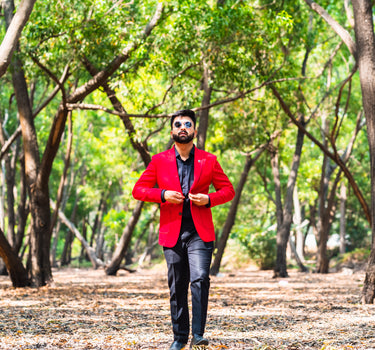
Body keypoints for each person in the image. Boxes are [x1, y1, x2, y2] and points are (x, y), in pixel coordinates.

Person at [132, 109, 235, 350]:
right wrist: (163, 195)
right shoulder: (159, 161)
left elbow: (228, 190)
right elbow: (138, 190)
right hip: (172, 232)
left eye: (187, 124)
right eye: (178, 124)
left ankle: (197, 335)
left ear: (194, 130)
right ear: (172, 131)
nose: (183, 127)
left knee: (200, 278)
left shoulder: (209, 160)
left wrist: (208, 199)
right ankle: (179, 338)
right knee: (177, 286)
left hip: (200, 232)